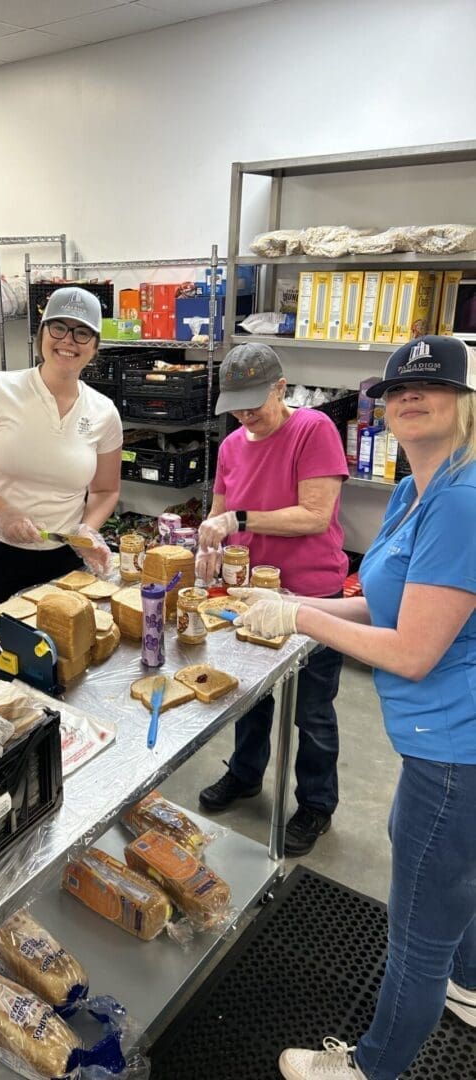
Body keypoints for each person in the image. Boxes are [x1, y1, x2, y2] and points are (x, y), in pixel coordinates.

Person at [229, 337, 476, 1080]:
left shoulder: (461, 502)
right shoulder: (416, 490)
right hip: (438, 739)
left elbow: (412, 651)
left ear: (466, 401)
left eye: (430, 385)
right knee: (442, 864)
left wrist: (301, 618)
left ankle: (368, 1068)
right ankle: (470, 982)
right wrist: (294, 605)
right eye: (396, 389)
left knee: (417, 929)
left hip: (457, 745)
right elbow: (388, 603)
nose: (408, 397)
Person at [196, 342, 349, 856]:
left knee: (312, 707)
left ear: (280, 388)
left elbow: (315, 515)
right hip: (250, 593)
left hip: (311, 594)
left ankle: (316, 803)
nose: (244, 415)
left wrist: (238, 519)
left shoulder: (313, 429)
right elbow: (218, 513)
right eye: (235, 406)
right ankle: (245, 774)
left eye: (253, 403)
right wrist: (209, 545)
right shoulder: (231, 446)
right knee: (250, 695)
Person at [0, 286, 122, 611]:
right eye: (59, 327)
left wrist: (87, 529)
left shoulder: (104, 412)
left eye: (82, 333)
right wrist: (4, 513)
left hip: (64, 558)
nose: (68, 340)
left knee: (62, 642)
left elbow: (106, 489)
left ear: (95, 346)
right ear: (41, 334)